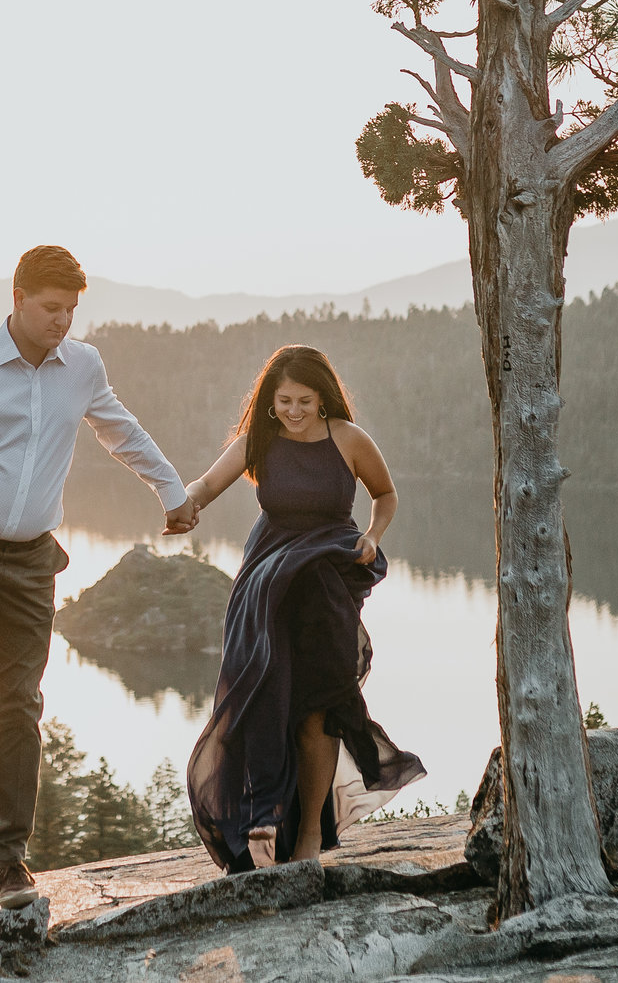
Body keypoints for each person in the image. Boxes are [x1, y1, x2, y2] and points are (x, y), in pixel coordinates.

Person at [0, 244, 199, 909]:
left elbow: (120, 429)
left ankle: (9, 861)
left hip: (32, 557)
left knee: (20, 703)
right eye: (52, 308)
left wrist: (171, 490)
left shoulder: (82, 366)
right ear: (18, 297)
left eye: (72, 310)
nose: (63, 321)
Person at [176, 344, 424, 872]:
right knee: (266, 694)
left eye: (304, 401)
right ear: (270, 400)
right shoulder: (260, 441)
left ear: (323, 397)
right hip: (269, 581)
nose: (293, 410)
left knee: (319, 707)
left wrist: (375, 536)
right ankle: (260, 813)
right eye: (284, 400)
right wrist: (186, 503)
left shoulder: (349, 440)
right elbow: (207, 483)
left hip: (326, 580)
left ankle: (309, 833)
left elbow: (385, 494)